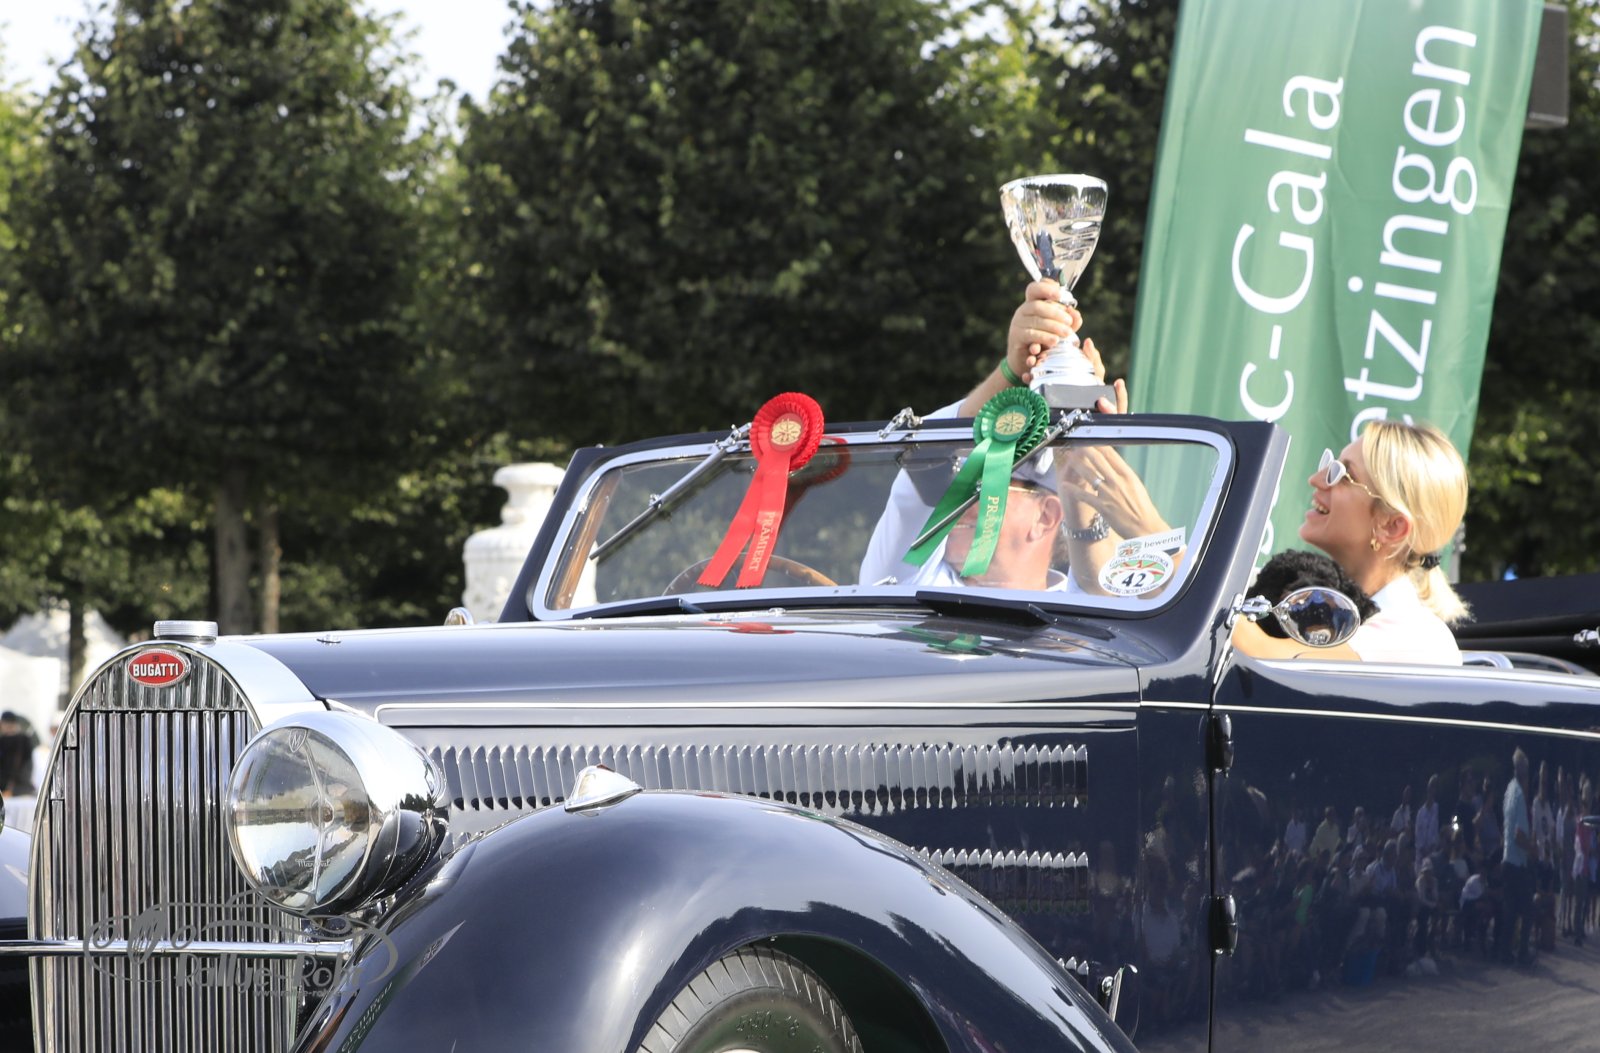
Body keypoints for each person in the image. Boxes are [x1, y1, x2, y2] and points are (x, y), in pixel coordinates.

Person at [859, 281, 1137, 590]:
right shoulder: (912, 585)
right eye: (962, 484)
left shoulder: (1079, 601)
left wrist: (1086, 445)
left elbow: (1103, 588)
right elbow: (926, 457)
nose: (957, 501)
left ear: (1046, 516)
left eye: (982, 487)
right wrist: (1012, 371)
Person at [1230, 418, 1469, 664]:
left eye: (1343, 475)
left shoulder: (1420, 637)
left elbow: (1264, 653)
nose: (1317, 479)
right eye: (1330, 466)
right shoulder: (1307, 593)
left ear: (1392, 526)